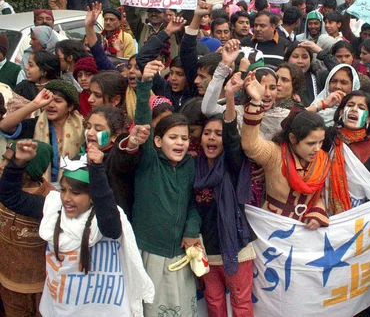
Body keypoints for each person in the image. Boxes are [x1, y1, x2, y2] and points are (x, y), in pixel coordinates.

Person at [0, 140, 154, 315]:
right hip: (61, 308)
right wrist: (18, 163)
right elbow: (10, 197)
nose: (66, 198)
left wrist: (97, 170)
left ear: (93, 196)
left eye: (75, 193)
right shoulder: (53, 208)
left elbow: (112, 229)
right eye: (64, 190)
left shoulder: (106, 215)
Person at [133, 60, 201, 316]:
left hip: (180, 255)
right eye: (173, 137)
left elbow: (193, 204)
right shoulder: (149, 161)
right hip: (151, 252)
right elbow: (142, 124)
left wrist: (192, 231)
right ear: (158, 141)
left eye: (184, 138)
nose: (180, 143)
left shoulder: (190, 166)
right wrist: (144, 84)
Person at [241, 72, 331, 228]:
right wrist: (256, 102)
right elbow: (250, 145)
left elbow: (316, 196)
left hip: (304, 232)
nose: (317, 149)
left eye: (320, 142)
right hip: (269, 228)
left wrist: (317, 214)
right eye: (310, 143)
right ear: (293, 139)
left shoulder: (322, 159)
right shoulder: (275, 155)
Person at [195, 87, 255, 316]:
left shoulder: (232, 165)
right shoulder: (194, 168)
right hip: (206, 251)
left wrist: (230, 97)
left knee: (241, 303)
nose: (211, 138)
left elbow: (232, 140)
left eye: (217, 134)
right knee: (213, 301)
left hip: (236, 248)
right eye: (207, 132)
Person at [0, 140, 54, 317]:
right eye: (5, 159)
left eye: (9, 161)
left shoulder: (52, 201)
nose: (2, 166)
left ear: (30, 171)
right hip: (8, 286)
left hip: (44, 289)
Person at [0, 81, 84, 184]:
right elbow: (4, 126)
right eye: (48, 100)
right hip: (39, 187)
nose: (51, 105)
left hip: (74, 187)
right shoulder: (36, 124)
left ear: (70, 106)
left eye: (58, 101)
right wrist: (35, 104)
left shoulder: (83, 128)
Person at [284, 42, 328, 106]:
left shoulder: (319, 77)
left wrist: (320, 52)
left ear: (310, 60)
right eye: (295, 57)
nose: (300, 61)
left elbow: (341, 72)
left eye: (304, 57)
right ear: (287, 59)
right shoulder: (279, 78)